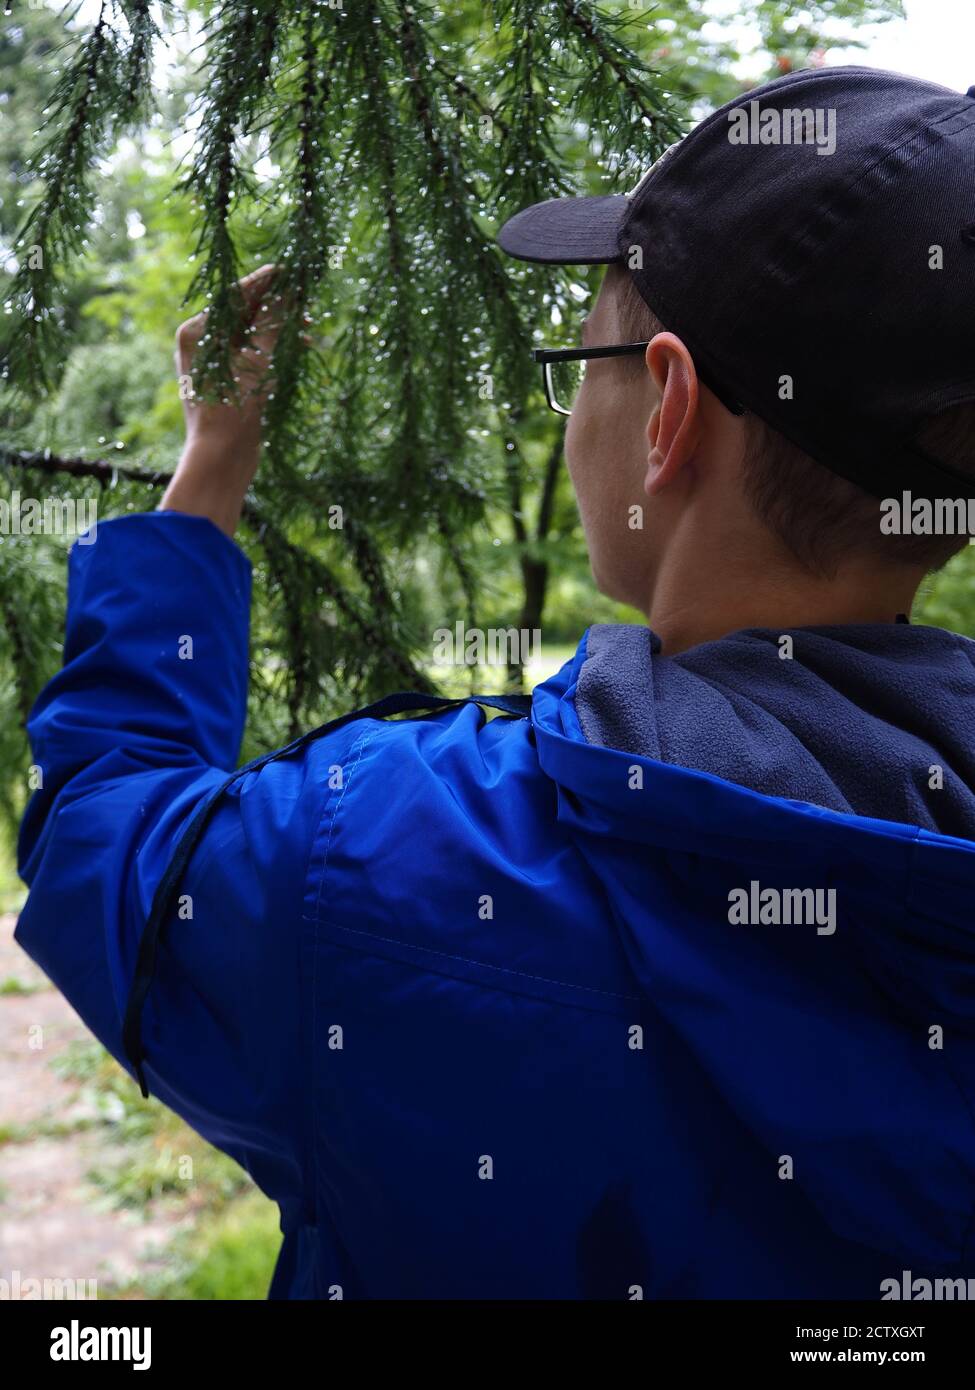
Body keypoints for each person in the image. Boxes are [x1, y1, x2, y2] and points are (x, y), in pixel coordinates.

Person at [16, 65, 975, 1299]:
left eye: (588, 354)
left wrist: (210, 469)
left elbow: (104, 835)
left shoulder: (386, 861)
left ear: (668, 409)